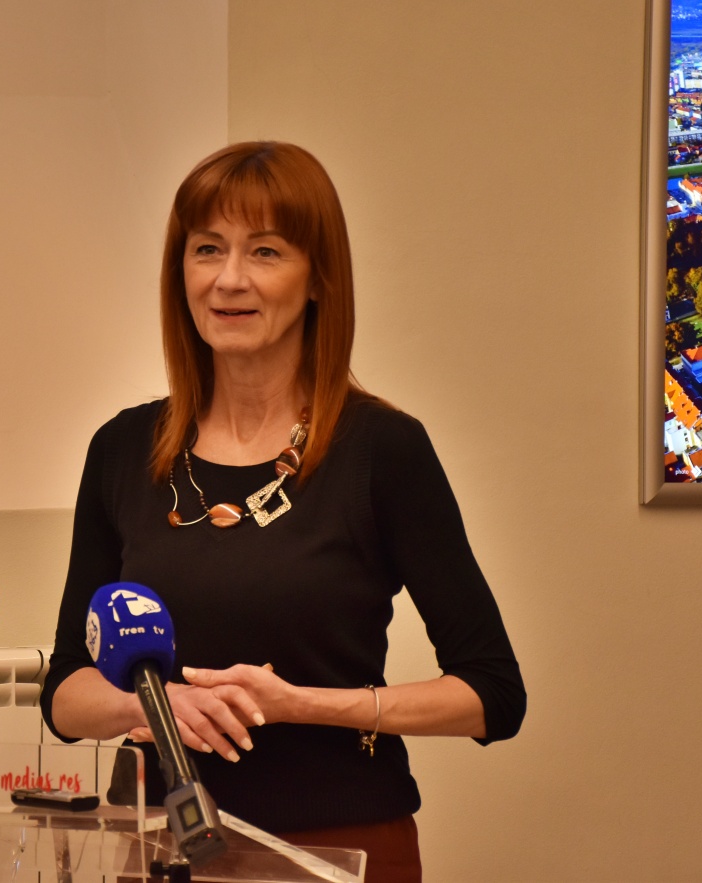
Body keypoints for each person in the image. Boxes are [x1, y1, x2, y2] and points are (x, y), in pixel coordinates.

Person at [40, 141, 525, 881]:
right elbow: (66, 693)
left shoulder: (382, 450)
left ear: (318, 277)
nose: (229, 278)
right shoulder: (122, 448)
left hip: (338, 846)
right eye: (207, 249)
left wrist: (301, 703)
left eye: (265, 251)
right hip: (160, 846)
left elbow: (491, 694)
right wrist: (156, 707)